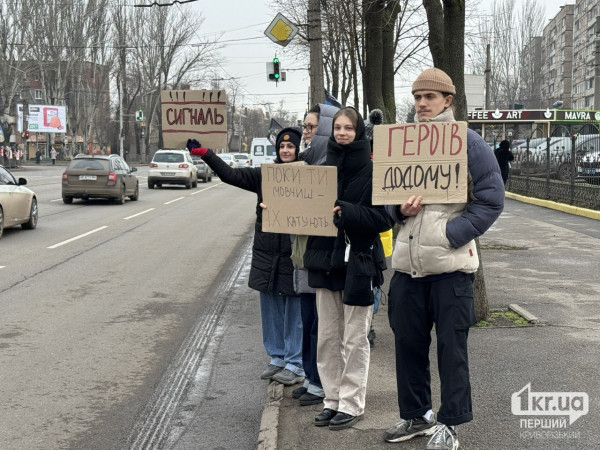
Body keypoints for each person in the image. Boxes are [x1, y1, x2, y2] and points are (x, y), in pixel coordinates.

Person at [383, 68, 504, 450]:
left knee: (452, 349)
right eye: (417, 97)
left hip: (449, 269)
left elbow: (491, 199)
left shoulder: (468, 142)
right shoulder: (401, 143)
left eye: (429, 97)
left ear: (448, 101)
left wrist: (451, 234)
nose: (421, 103)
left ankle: (450, 424)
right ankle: (416, 416)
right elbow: (386, 198)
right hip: (407, 266)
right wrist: (397, 212)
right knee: (407, 344)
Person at [187, 130, 305, 386]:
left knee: (294, 306)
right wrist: (206, 154)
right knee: (270, 301)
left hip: (294, 251)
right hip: (266, 250)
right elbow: (232, 175)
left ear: (298, 149)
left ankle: (295, 362)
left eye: (290, 147)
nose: (286, 150)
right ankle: (277, 357)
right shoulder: (265, 175)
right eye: (282, 146)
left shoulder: (308, 174)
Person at [304, 106, 394, 430]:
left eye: (348, 128)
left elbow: (385, 218)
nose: (342, 132)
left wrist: (350, 212)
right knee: (327, 338)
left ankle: (352, 403)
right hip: (324, 263)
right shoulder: (321, 168)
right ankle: (332, 400)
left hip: (359, 263)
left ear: (358, 133)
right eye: (338, 127)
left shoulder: (373, 171)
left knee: (354, 339)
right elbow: (304, 210)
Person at [291, 103, 339, 407]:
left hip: (322, 262)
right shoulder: (305, 168)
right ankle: (311, 378)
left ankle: (321, 383)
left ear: (323, 132)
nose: (304, 133)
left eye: (310, 128)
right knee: (308, 324)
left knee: (320, 328)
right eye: (304, 127)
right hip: (306, 260)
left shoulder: (329, 171)